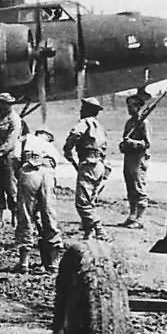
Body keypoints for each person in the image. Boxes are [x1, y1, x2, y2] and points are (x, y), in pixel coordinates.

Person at [14, 127, 62, 273]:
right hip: (48, 173)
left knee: (25, 214)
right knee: (49, 214)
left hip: (29, 170)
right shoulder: (52, 148)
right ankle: (53, 262)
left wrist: (19, 173)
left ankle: (24, 262)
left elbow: (15, 157)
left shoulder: (26, 139)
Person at [64, 97, 110, 240]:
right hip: (99, 164)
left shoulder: (85, 123)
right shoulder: (100, 127)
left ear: (88, 110)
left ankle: (100, 230)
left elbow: (75, 134)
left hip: (89, 164)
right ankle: (88, 233)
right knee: (90, 201)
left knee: (82, 203)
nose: (81, 111)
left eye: (83, 108)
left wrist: (68, 149)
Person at [0, 92, 23, 230]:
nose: (5, 106)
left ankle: (16, 218)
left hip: (9, 157)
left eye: (8, 104)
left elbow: (10, 142)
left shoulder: (14, 120)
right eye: (2, 103)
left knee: (11, 188)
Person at [120, 93, 152, 228]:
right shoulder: (130, 123)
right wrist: (123, 145)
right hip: (128, 158)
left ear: (138, 107)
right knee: (130, 188)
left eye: (132, 105)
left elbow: (147, 144)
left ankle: (140, 219)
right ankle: (132, 216)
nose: (129, 108)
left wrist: (132, 142)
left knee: (139, 188)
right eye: (128, 106)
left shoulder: (144, 123)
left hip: (138, 159)